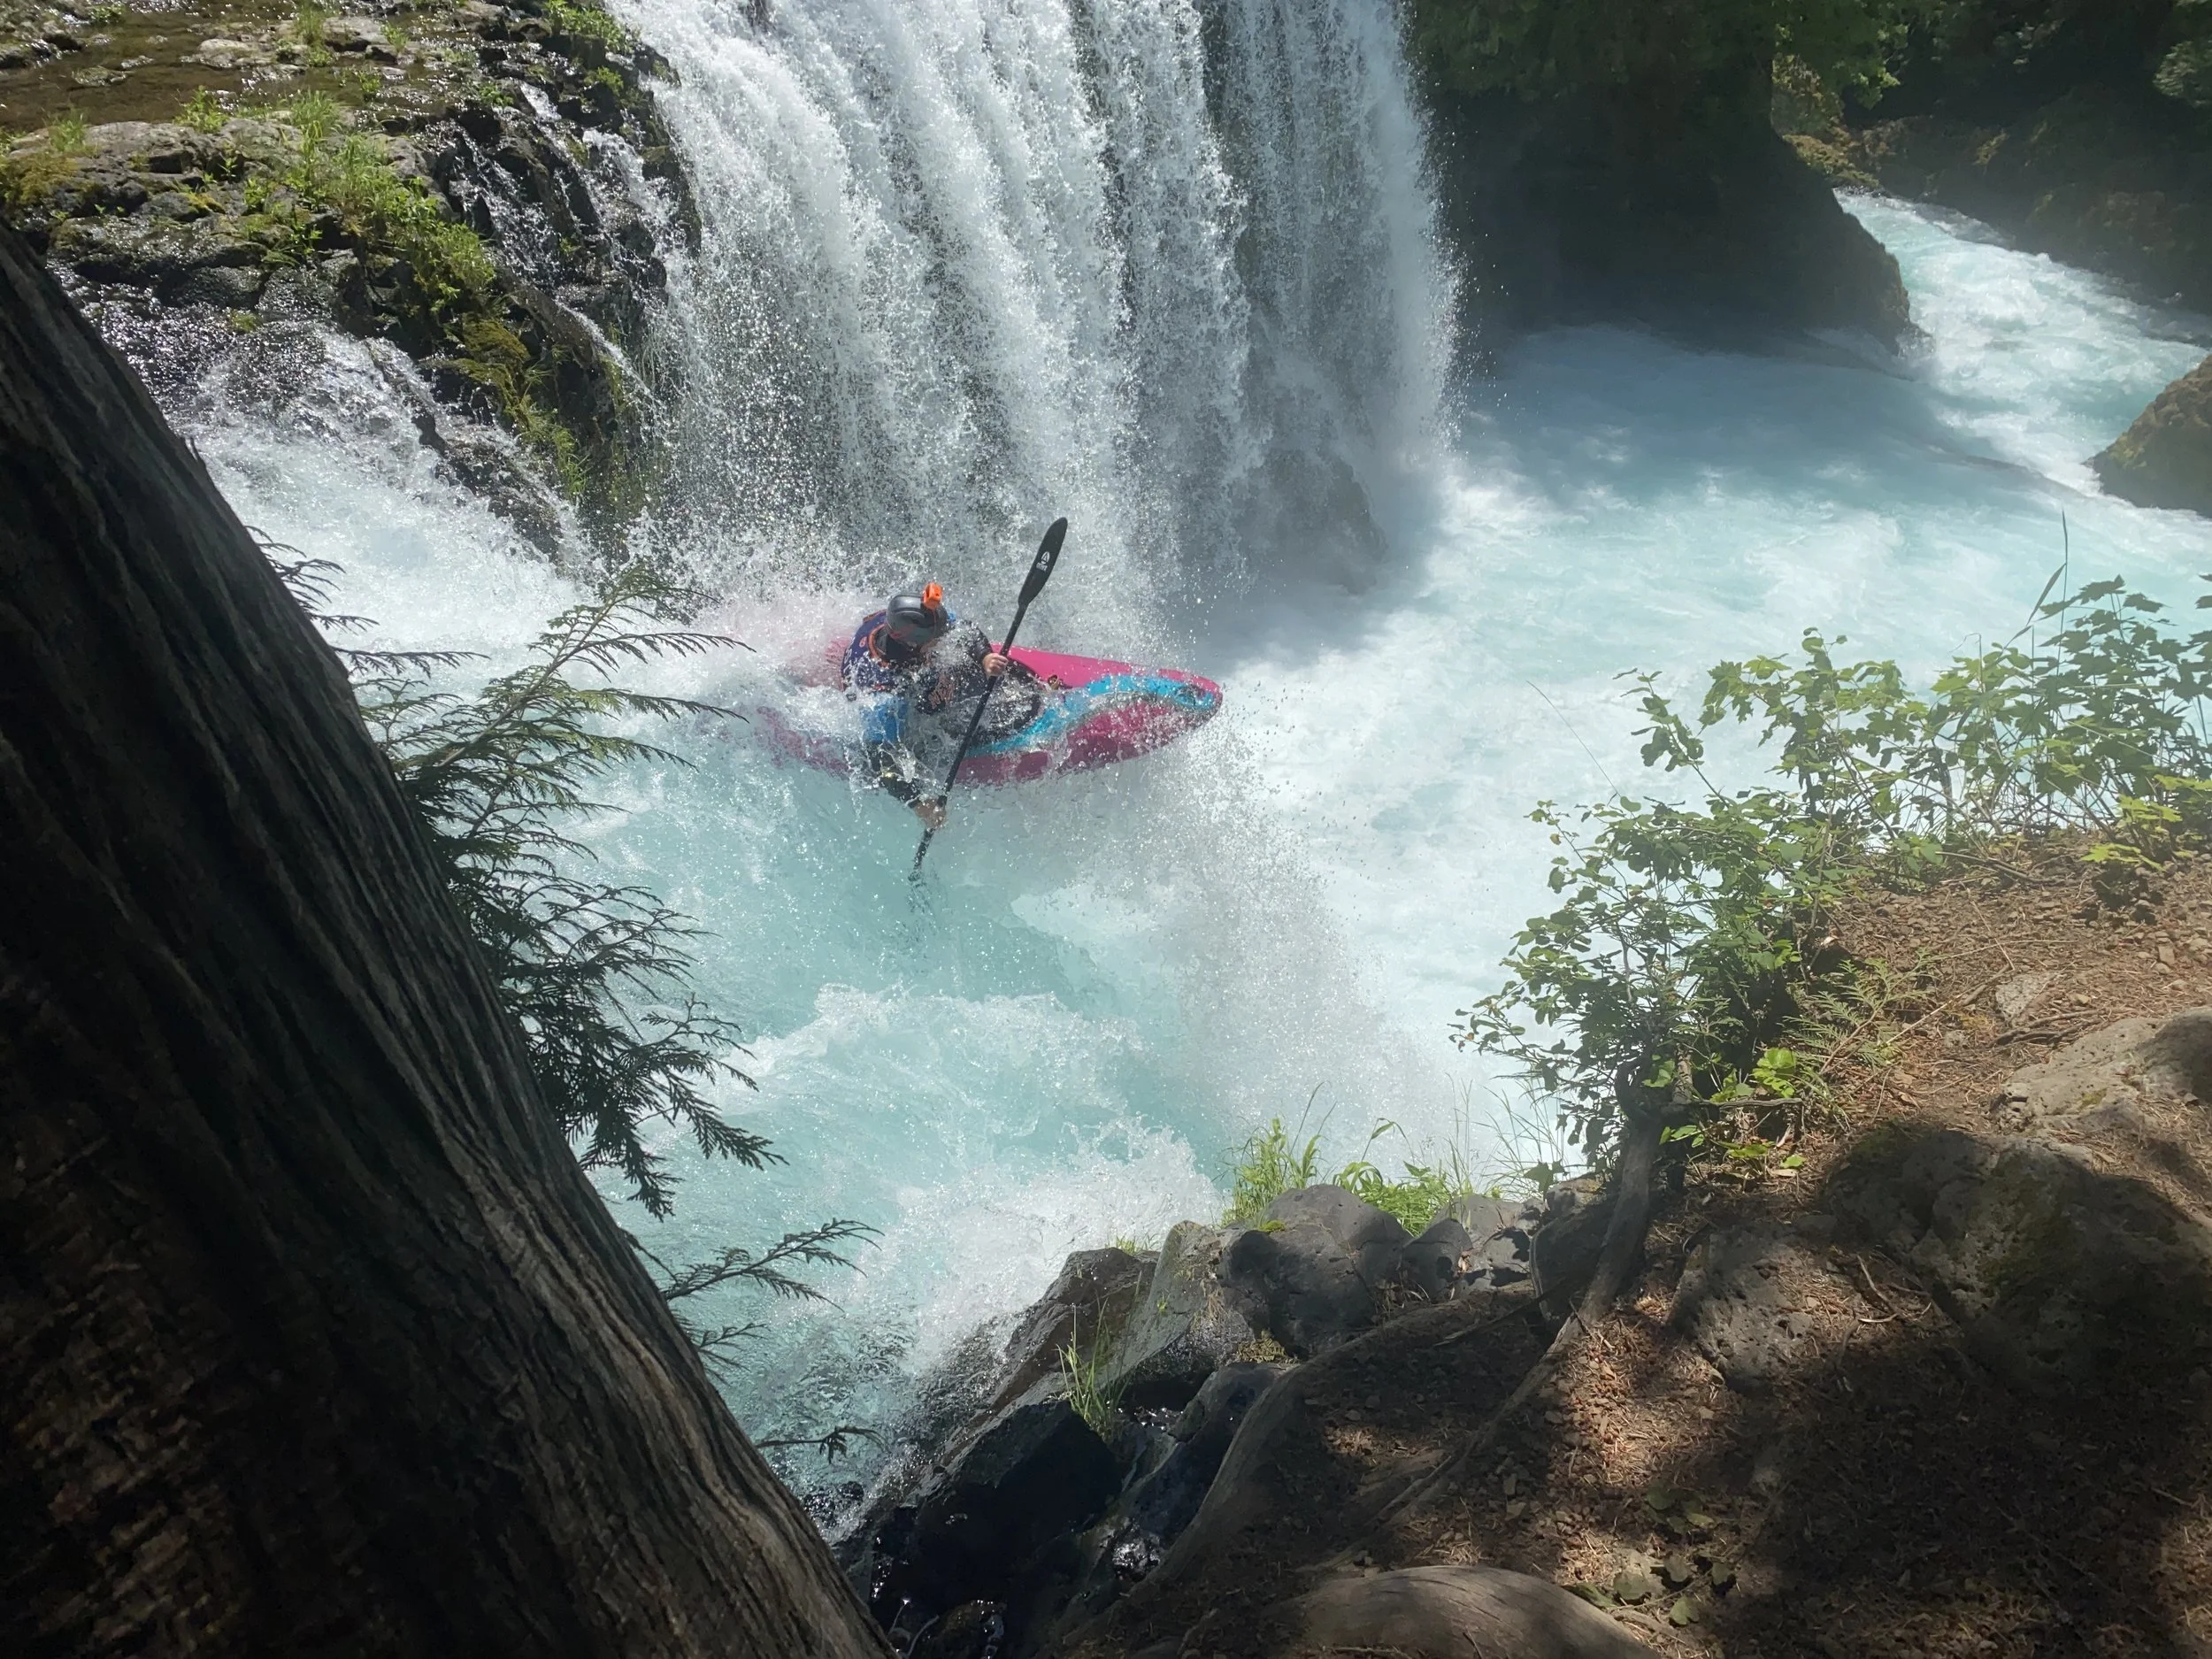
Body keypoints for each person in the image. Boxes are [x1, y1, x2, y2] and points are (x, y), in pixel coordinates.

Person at [841, 582, 1012, 828]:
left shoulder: (904, 623)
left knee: (955, 663)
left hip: (899, 673)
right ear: (912, 644)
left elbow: (963, 629)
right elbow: (880, 762)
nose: (942, 639)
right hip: (889, 707)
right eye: (935, 639)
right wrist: (920, 805)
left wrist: (985, 657)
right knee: (934, 699)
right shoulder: (884, 698)